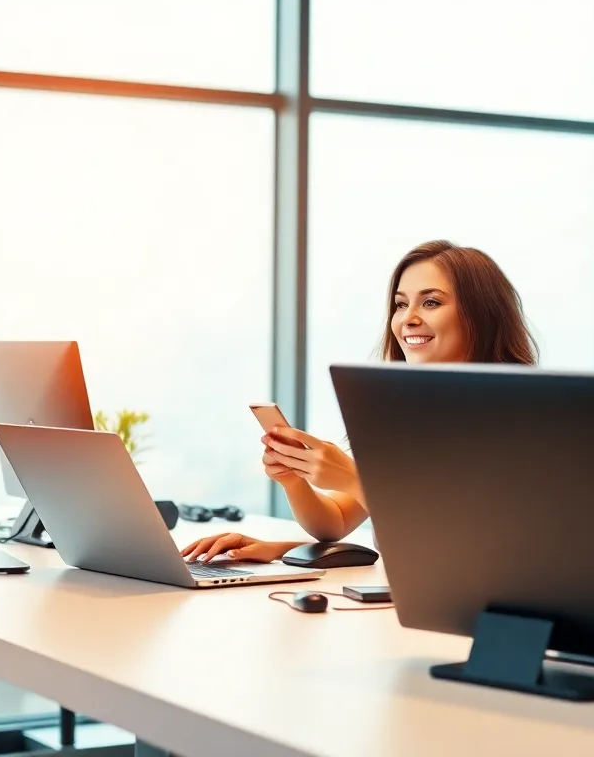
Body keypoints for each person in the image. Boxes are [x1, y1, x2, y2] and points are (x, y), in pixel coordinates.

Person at [181, 240, 537, 562]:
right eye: (400, 304)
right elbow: (333, 522)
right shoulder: (410, 422)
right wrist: (294, 482)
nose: (408, 319)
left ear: (481, 316)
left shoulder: (518, 420)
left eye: (431, 302)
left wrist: (354, 478)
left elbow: (462, 551)